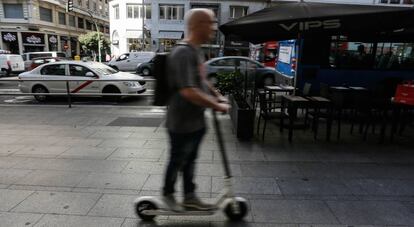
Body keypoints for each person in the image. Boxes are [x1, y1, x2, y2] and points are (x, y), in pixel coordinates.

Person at [163, 8, 230, 212]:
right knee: (178, 159)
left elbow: (201, 81)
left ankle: (189, 196)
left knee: (189, 160)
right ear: (197, 25)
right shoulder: (183, 52)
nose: (213, 28)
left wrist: (216, 94)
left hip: (195, 121)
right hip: (181, 122)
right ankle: (167, 194)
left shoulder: (196, 51)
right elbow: (188, 91)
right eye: (210, 23)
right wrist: (216, 105)